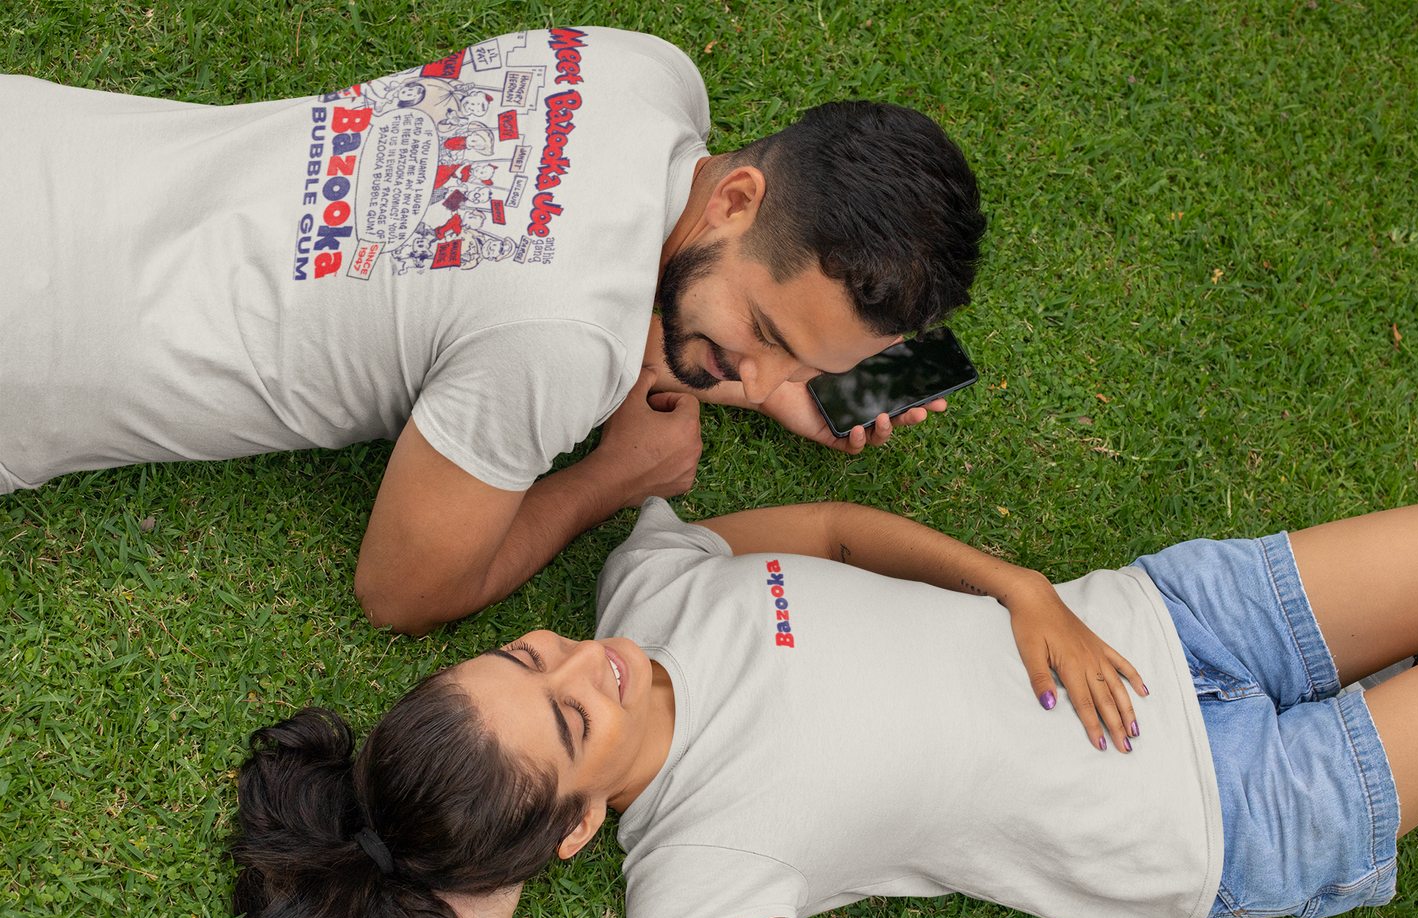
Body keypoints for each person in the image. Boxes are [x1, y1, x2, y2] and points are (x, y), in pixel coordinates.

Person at [231, 494, 1418, 918]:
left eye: (524, 653)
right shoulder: (702, 864)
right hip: (1226, 807)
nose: (583, 664)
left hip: (1169, 617)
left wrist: (1019, 587)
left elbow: (828, 528)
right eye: (567, 718)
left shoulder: (646, 589)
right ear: (580, 823)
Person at [0, 27, 987, 635]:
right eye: (766, 331)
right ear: (733, 199)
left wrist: (756, 372)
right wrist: (617, 477)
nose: (761, 374)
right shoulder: (560, 347)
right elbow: (402, 590)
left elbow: (556, 261)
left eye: (802, 360)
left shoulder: (642, 72)